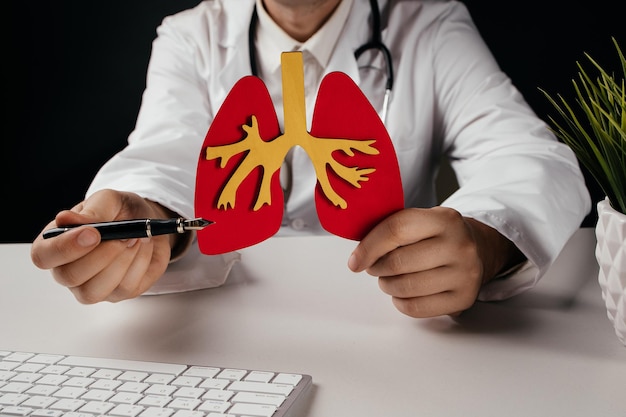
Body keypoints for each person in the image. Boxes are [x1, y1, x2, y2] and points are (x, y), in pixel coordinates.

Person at [30, 0, 590, 318]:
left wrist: (485, 240)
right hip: (228, 317)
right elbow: (164, 153)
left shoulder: (430, 24)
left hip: (389, 315)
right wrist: (136, 216)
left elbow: (525, 155)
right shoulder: (192, 35)